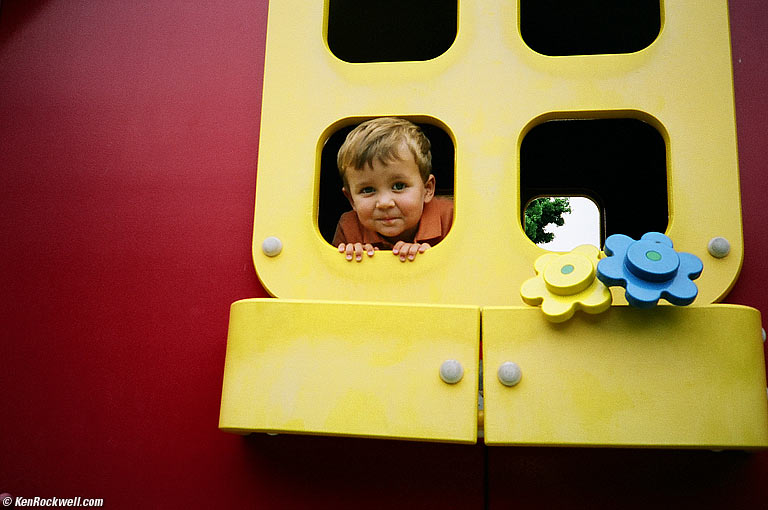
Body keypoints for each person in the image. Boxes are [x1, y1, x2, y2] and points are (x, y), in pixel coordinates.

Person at [332, 117, 454, 262]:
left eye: (399, 186)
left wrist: (431, 259)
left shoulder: (451, 217)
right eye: (368, 190)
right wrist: (352, 260)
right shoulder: (349, 228)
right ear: (351, 199)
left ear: (427, 189)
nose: (384, 203)